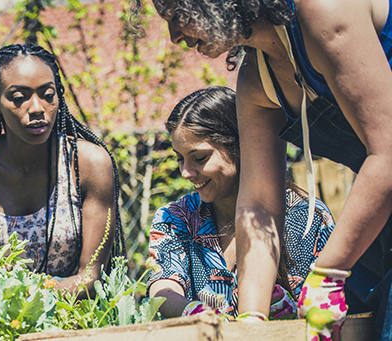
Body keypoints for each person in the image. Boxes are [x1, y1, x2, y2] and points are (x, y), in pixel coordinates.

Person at [151, 0, 392, 339]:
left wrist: (329, 272)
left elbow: (387, 152)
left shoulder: (324, 10)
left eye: (178, 16)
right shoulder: (256, 79)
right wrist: (252, 322)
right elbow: (259, 208)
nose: (174, 36)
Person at [0, 44, 124, 296]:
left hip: (73, 317)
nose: (37, 108)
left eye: (48, 95)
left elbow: (91, 278)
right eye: (19, 98)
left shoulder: (88, 164)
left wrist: (27, 301)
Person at [147, 86, 334, 320]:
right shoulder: (176, 218)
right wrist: (190, 311)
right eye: (179, 158)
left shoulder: (306, 217)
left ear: (239, 146)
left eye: (199, 158)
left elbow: (330, 302)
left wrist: (297, 312)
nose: (186, 172)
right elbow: (162, 288)